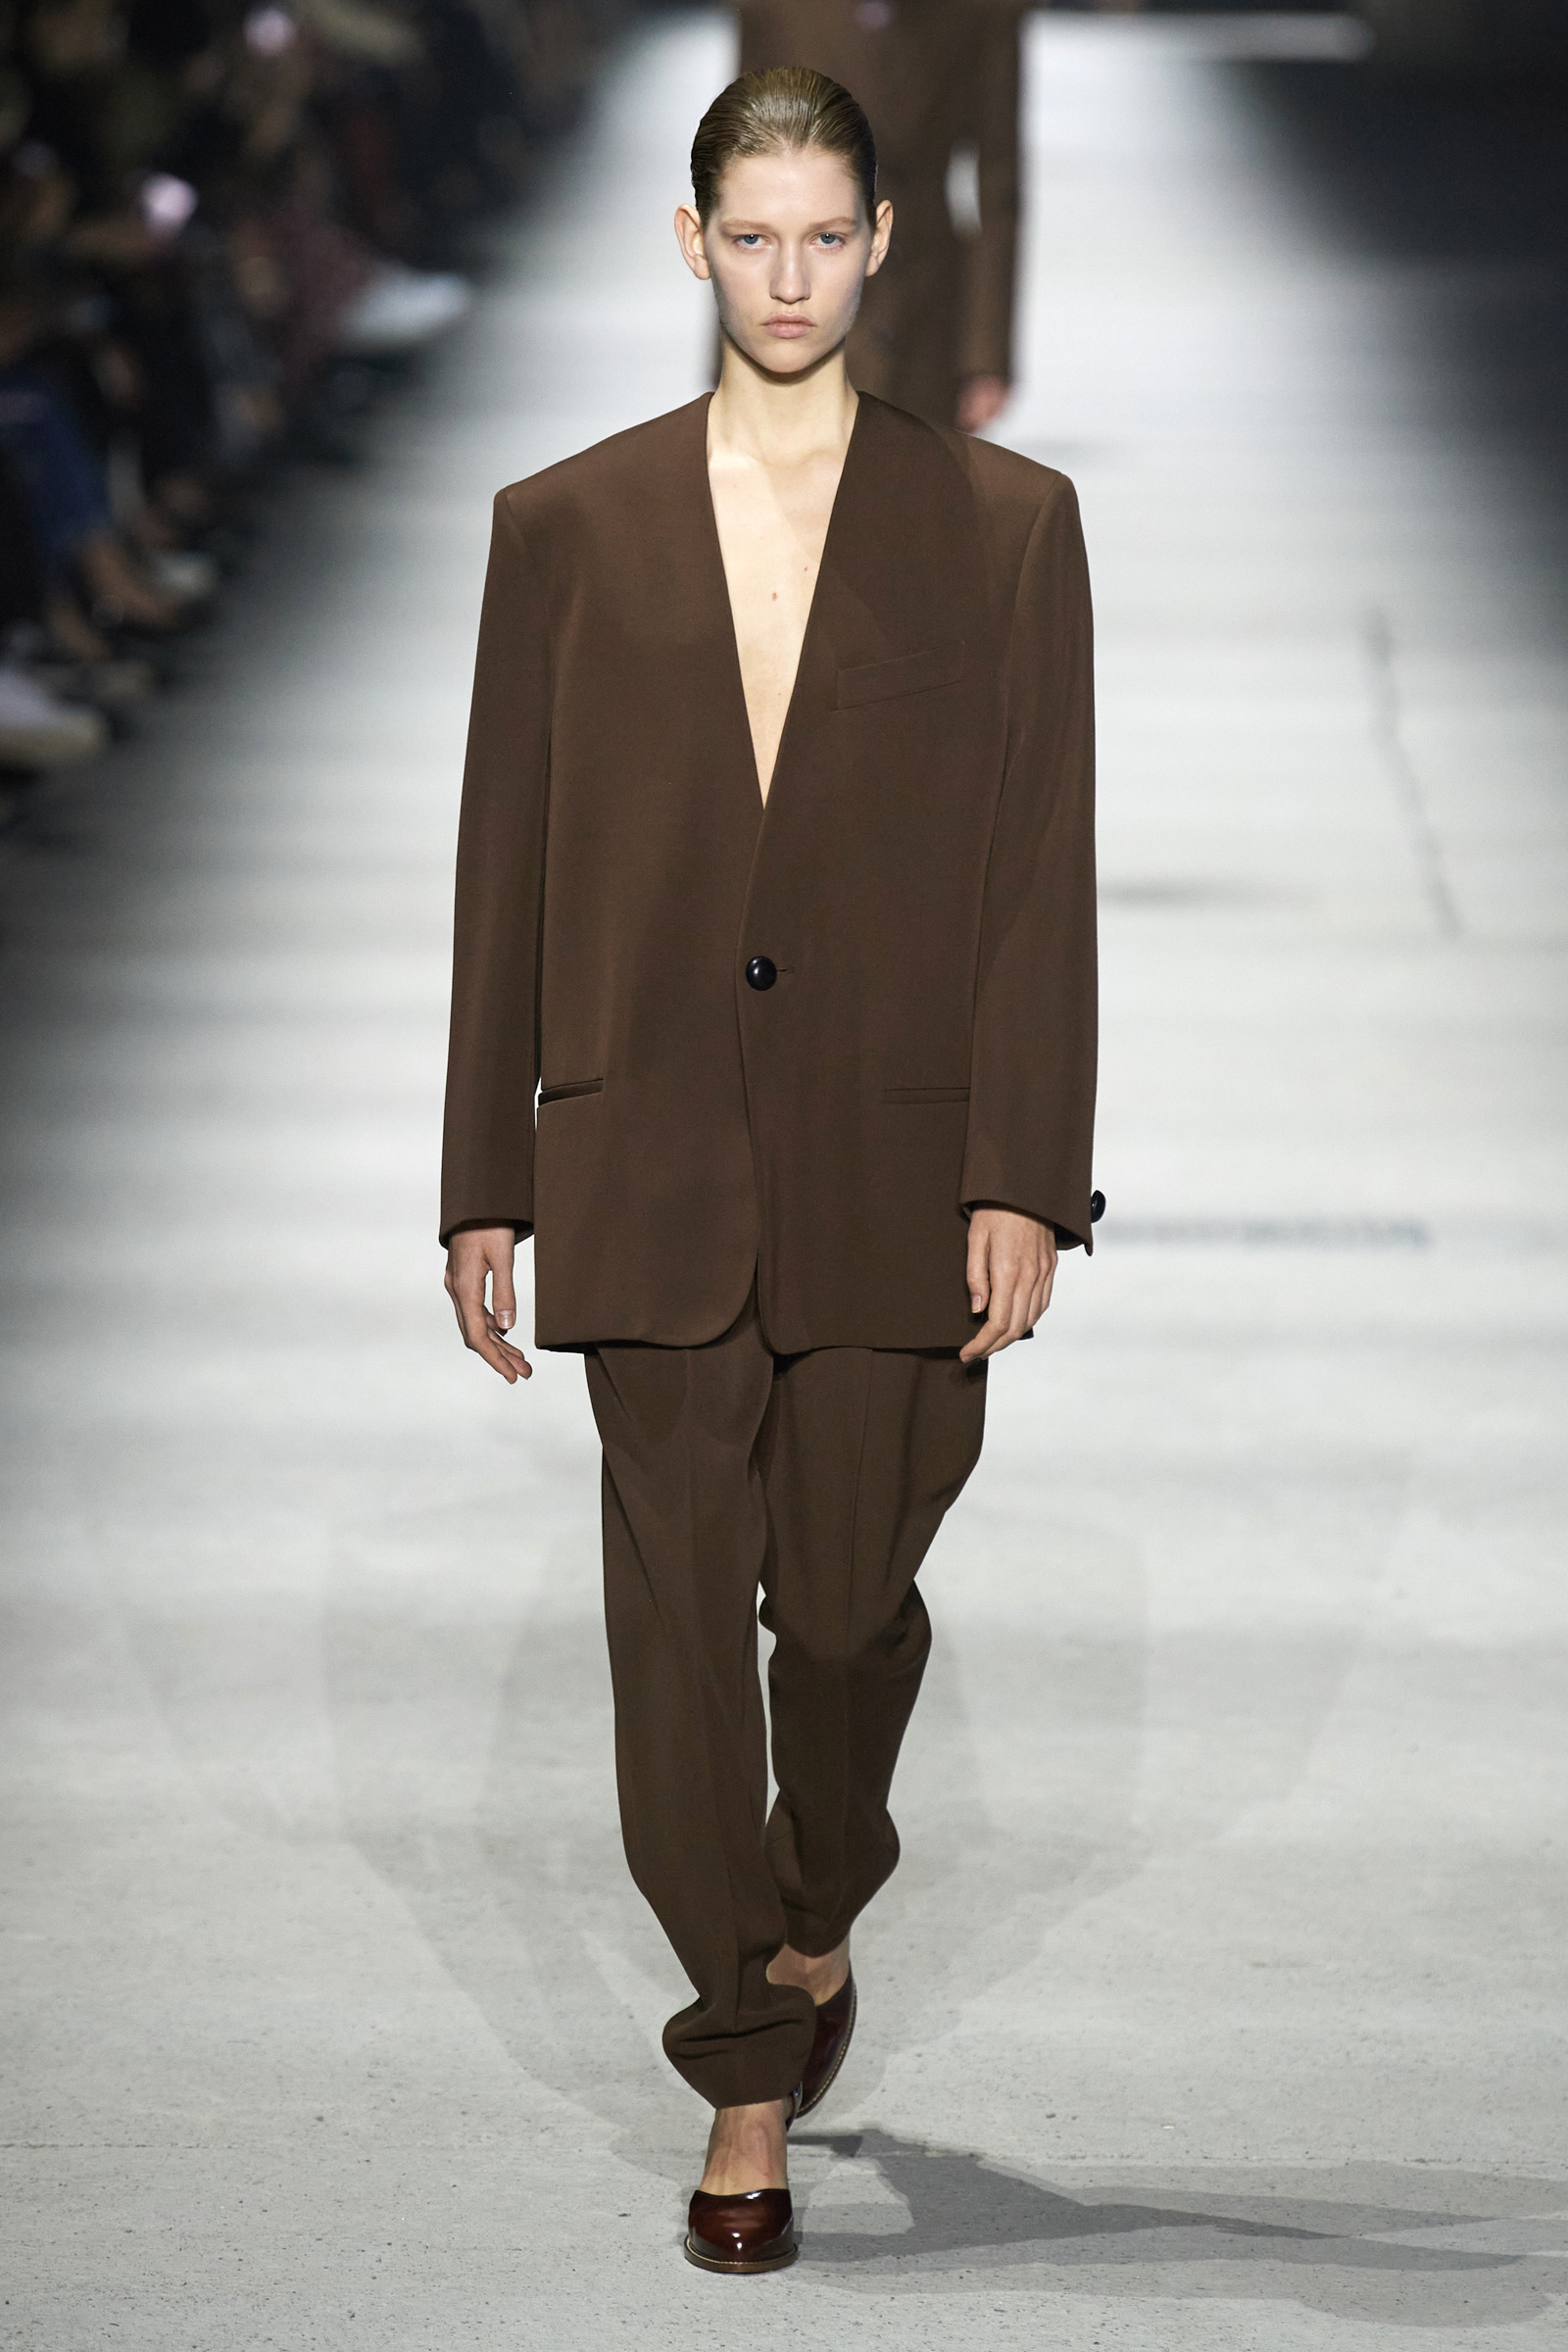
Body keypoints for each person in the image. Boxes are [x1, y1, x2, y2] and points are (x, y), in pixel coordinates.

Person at [440, 65, 1097, 2275]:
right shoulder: (565, 525)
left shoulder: (1004, 527)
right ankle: (743, 2074)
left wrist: (1025, 1172)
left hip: (895, 1162)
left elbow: (1037, 878)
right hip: (644, 1153)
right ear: (689, 239)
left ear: (882, 240)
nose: (790, 278)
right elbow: (507, 865)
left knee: (837, 1616)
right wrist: (483, 1171)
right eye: (752, 237)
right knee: (673, 1646)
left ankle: (817, 1903)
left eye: (826, 237)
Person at [736, 0, 1022, 432]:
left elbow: (999, 187)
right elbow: (742, 176)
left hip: (927, 304)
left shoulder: (983, 11)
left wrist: (986, 357)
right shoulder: (776, 9)